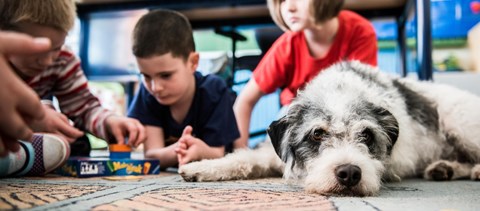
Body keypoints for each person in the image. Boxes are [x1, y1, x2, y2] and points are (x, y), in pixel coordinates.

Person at [0, 0, 146, 177]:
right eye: (35, 48)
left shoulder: (63, 60)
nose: (47, 61)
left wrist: (110, 121)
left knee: (74, 144)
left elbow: (85, 107)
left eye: (56, 47)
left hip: (27, 139)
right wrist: (33, 117)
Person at [234, 0, 378, 147]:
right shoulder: (287, 46)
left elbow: (361, 99)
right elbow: (244, 101)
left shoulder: (359, 31)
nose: (289, 8)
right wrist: (240, 151)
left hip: (345, 116)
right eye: (282, 1)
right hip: (296, 114)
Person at [127, 9, 240, 168]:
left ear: (193, 62)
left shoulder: (214, 90)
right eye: (146, 76)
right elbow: (151, 154)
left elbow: (217, 153)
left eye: (165, 75)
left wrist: (200, 151)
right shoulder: (147, 94)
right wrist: (181, 149)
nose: (155, 87)